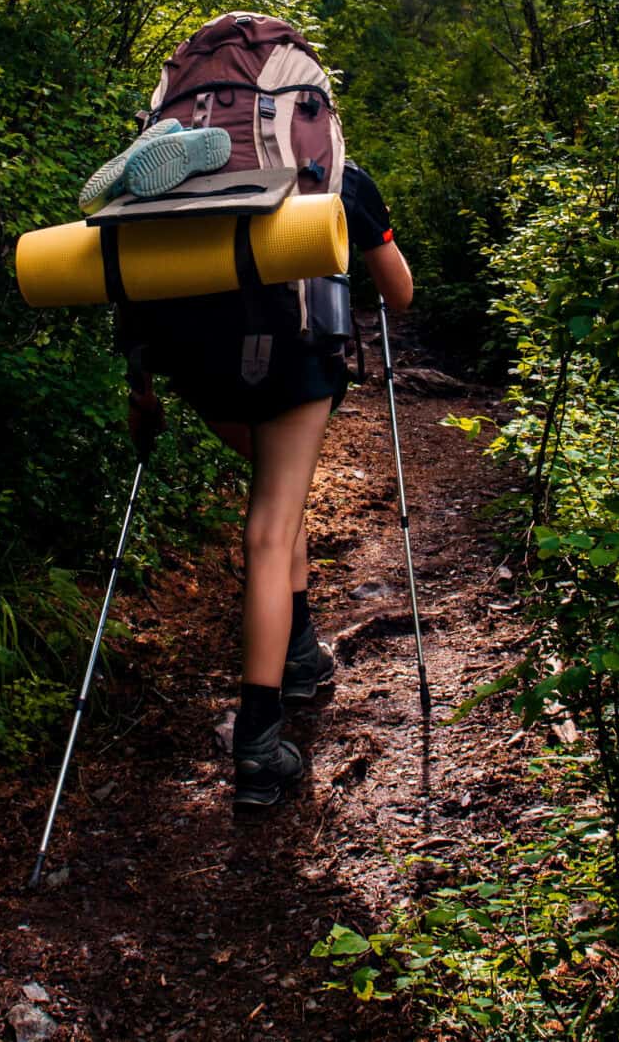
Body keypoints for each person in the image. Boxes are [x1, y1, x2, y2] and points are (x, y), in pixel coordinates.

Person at [124, 161, 414, 813]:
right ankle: (258, 737)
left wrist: (141, 389)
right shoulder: (339, 172)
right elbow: (400, 294)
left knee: (279, 489)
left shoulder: (184, 173)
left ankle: (302, 647)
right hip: (295, 360)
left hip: (203, 369)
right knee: (272, 520)